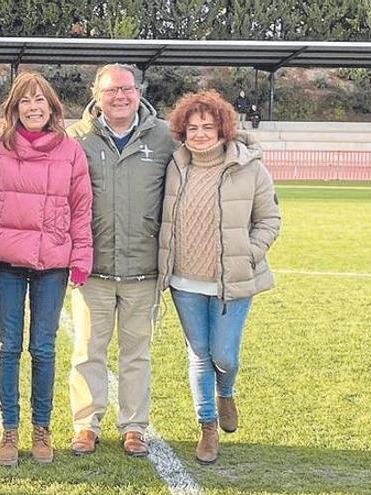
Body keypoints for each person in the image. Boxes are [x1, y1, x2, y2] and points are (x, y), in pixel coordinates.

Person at [158, 89, 281, 464]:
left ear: (223, 129)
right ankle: (207, 428)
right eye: (192, 127)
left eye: (207, 127)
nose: (199, 134)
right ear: (182, 131)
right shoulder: (175, 166)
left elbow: (269, 220)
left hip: (232, 281)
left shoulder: (250, 168)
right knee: (198, 356)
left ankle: (226, 391)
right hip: (185, 282)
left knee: (224, 355)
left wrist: (247, 255)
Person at [66, 63, 176, 457]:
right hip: (92, 269)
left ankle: (134, 426)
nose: (120, 97)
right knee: (87, 351)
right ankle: (85, 424)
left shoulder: (164, 137)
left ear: (139, 91)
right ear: (97, 93)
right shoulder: (76, 137)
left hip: (143, 269)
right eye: (111, 90)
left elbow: (208, 144)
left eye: (127, 89)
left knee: (136, 353)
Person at [0, 72, 92, 467]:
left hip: (53, 265)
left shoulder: (71, 152)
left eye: (40, 100)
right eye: (25, 100)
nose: (33, 107)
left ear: (51, 108)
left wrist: (80, 259)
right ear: (14, 108)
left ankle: (41, 428)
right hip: (7, 264)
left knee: (43, 349)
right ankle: (9, 428)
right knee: (8, 347)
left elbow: (82, 209)